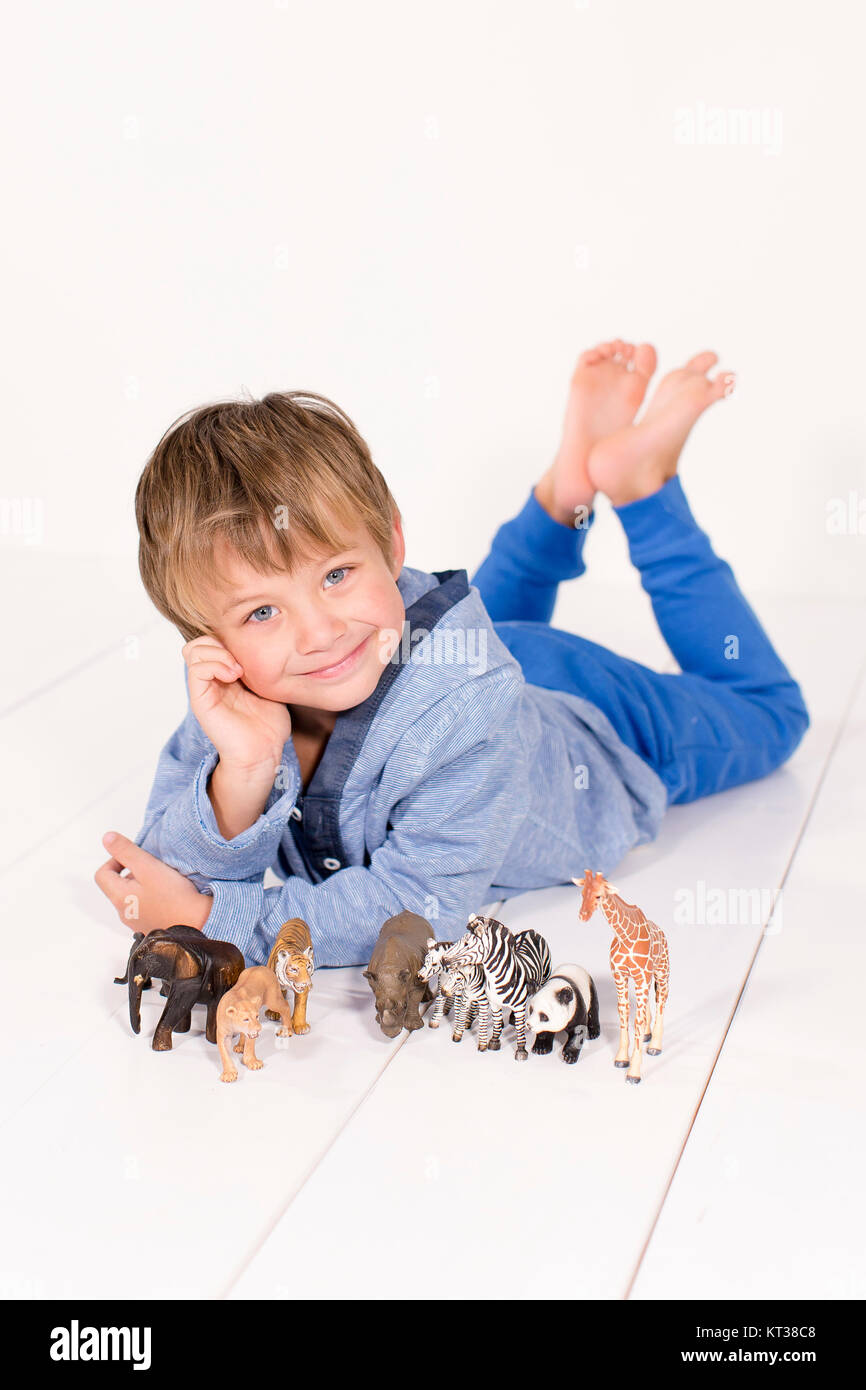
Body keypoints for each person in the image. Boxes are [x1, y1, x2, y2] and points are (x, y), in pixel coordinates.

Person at [94, 340, 809, 966]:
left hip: (595, 720)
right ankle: (566, 489)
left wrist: (207, 923)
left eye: (337, 574)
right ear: (208, 643)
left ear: (393, 546)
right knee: (452, 642)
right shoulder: (240, 700)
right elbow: (159, 872)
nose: (318, 633)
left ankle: (641, 482)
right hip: (443, 658)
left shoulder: (467, 703)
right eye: (262, 611)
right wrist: (243, 774)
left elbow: (417, 904)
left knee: (772, 716)